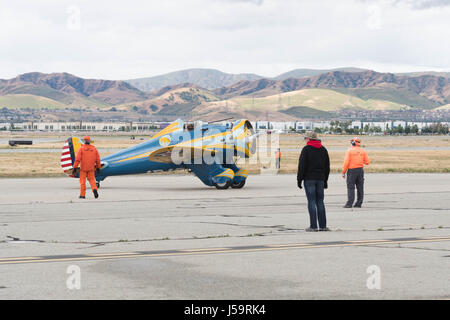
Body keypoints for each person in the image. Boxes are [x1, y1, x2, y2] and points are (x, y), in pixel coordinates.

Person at [297, 131, 330, 232]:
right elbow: (327, 167)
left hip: (309, 179)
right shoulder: (323, 149)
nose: (305, 140)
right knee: (320, 202)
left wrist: (299, 179)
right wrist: (325, 180)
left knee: (311, 202)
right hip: (320, 179)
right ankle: (323, 226)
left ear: (309, 139)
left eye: (305, 138)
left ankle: (313, 226)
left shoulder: (306, 149)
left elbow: (302, 166)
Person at [342, 137, 370, 208]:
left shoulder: (349, 151)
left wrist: (343, 172)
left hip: (352, 171)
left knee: (350, 187)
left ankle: (349, 203)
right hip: (360, 170)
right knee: (360, 187)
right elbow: (367, 162)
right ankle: (359, 203)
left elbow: (346, 162)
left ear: (353, 143)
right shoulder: (362, 151)